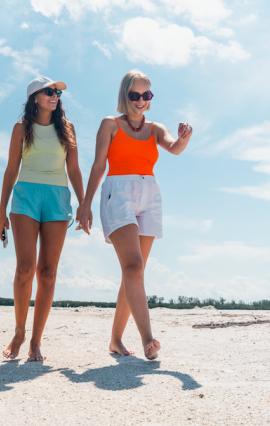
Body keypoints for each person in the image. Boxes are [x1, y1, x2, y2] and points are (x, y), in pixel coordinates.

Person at [78, 69, 192, 360]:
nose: (141, 100)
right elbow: (97, 166)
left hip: (149, 195)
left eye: (147, 95)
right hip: (119, 193)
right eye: (135, 95)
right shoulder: (110, 124)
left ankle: (116, 340)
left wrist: (184, 137)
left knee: (134, 272)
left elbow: (175, 148)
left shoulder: (155, 128)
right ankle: (148, 340)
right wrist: (85, 203)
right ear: (125, 95)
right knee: (134, 266)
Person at [0, 77, 85, 361]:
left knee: (48, 273)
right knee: (25, 268)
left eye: (57, 92)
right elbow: (11, 169)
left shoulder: (67, 129)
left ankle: (36, 341)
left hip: (58, 197)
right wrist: (1, 212)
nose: (55, 95)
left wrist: (84, 204)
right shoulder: (21, 128)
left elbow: (74, 169)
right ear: (34, 97)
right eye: (49, 91)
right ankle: (19, 332)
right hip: (25, 197)